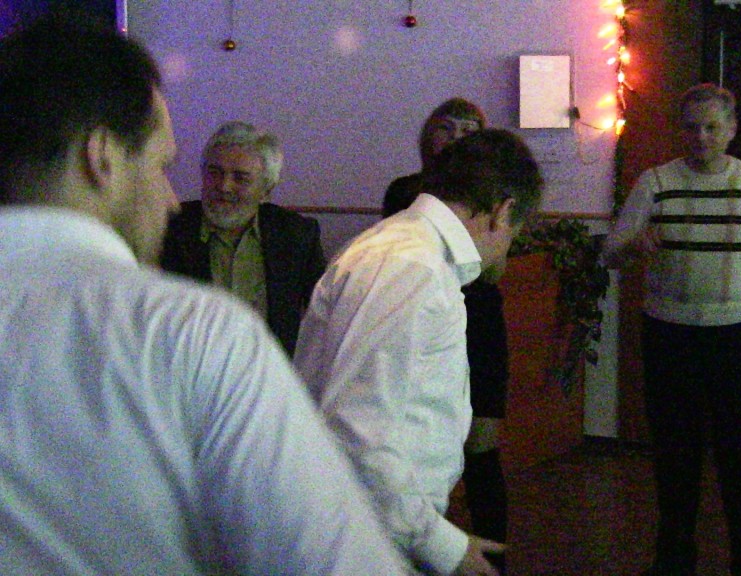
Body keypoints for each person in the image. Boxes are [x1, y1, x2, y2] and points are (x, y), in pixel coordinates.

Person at [0, 12, 410, 575]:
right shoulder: (194, 332)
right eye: (162, 166)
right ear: (102, 158)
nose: (172, 199)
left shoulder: (286, 245)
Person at [294, 129, 543, 576]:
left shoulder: (409, 252)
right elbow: (356, 427)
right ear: (503, 210)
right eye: (515, 231)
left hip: (372, 526)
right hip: (365, 537)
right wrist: (441, 545)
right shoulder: (411, 264)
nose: (507, 247)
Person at [603, 83, 741, 576]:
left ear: (732, 129)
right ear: (680, 130)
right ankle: (674, 561)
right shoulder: (655, 182)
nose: (701, 137)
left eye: (712, 127)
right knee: (675, 456)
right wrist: (632, 245)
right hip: (670, 333)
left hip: (737, 333)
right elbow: (611, 252)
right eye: (692, 127)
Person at [383, 98, 511, 571]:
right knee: (419, 443)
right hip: (423, 320)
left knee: (482, 451)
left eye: (469, 129)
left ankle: (493, 562)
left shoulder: (496, 193)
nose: (457, 137)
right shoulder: (405, 191)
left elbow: (493, 272)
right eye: (447, 127)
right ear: (428, 135)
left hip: (478, 324)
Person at [160, 121, 325, 357]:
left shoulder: (295, 235)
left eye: (240, 178)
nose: (224, 186)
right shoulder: (169, 228)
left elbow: (322, 317)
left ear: (266, 190)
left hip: (269, 371)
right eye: (215, 173)